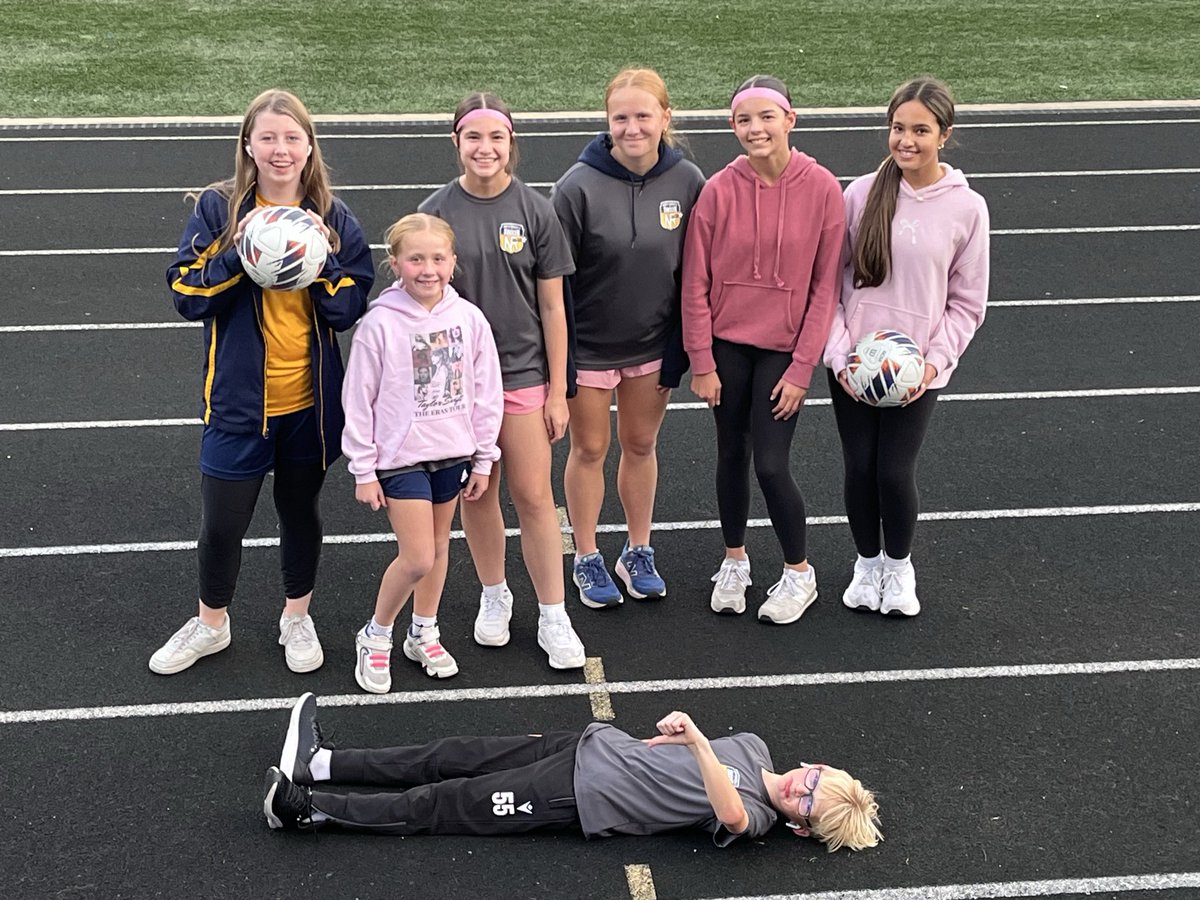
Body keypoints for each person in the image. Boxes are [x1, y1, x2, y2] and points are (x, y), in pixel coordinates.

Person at [151, 89, 373, 676]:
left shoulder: (334, 215)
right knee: (223, 523)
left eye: (291, 138)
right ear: (248, 144)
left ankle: (296, 616)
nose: (280, 150)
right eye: (268, 137)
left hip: (308, 404)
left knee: (299, 514)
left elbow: (351, 305)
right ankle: (211, 623)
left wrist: (320, 264)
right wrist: (238, 252)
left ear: (308, 147)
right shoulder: (216, 208)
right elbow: (184, 293)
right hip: (238, 405)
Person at [263, 692, 883, 852]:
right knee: (450, 752)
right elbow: (665, 753)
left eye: (808, 806)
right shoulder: (753, 744)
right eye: (814, 782)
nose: (801, 791)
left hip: (579, 797)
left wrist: (695, 740)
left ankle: (307, 810)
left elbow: (726, 808)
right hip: (587, 747)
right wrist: (645, 739)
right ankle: (321, 763)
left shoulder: (755, 822)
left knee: (445, 803)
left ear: (800, 828)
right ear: (813, 766)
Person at [418, 93, 586, 670]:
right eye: (473, 137)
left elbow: (554, 309)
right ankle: (495, 595)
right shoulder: (436, 212)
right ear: (456, 143)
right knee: (478, 493)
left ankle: (553, 613)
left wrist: (560, 389)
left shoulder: (537, 211)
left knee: (535, 496)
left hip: (521, 377)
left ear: (511, 143)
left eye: (496, 137)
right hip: (457, 388)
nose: (485, 148)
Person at [681, 76, 844, 624]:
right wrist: (701, 361)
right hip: (728, 348)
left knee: (772, 465)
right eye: (744, 120)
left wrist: (802, 370)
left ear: (789, 121)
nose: (756, 129)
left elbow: (826, 288)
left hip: (783, 354)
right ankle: (735, 561)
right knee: (731, 454)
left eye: (766, 118)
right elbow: (695, 283)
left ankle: (800, 573)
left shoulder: (822, 188)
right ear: (734, 127)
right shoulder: (718, 190)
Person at [824, 78, 989, 617]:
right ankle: (866, 563)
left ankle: (898, 568)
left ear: (945, 134)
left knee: (893, 471)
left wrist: (932, 363)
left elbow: (967, 303)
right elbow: (829, 286)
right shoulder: (860, 193)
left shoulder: (967, 209)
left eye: (920, 130)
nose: (906, 140)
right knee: (858, 468)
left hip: (915, 370)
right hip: (854, 363)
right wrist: (840, 353)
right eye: (898, 128)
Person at [552, 68, 706, 608]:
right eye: (621, 117)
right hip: (589, 348)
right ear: (607, 121)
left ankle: (637, 549)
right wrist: (562, 359)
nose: (632, 127)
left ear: (666, 117)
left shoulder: (688, 181)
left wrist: (682, 347)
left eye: (644, 116)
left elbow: (695, 269)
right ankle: (588, 557)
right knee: (590, 447)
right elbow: (554, 282)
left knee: (641, 445)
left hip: (650, 346)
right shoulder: (576, 186)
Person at [342, 214, 503, 690]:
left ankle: (424, 630)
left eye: (437, 258)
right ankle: (375, 635)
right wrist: (363, 468)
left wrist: (484, 456)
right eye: (415, 259)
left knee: (437, 549)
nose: (427, 268)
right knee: (416, 556)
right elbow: (358, 397)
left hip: (452, 455)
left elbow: (486, 391)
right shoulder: (379, 325)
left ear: (453, 262)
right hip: (400, 459)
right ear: (395, 265)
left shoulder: (469, 319)